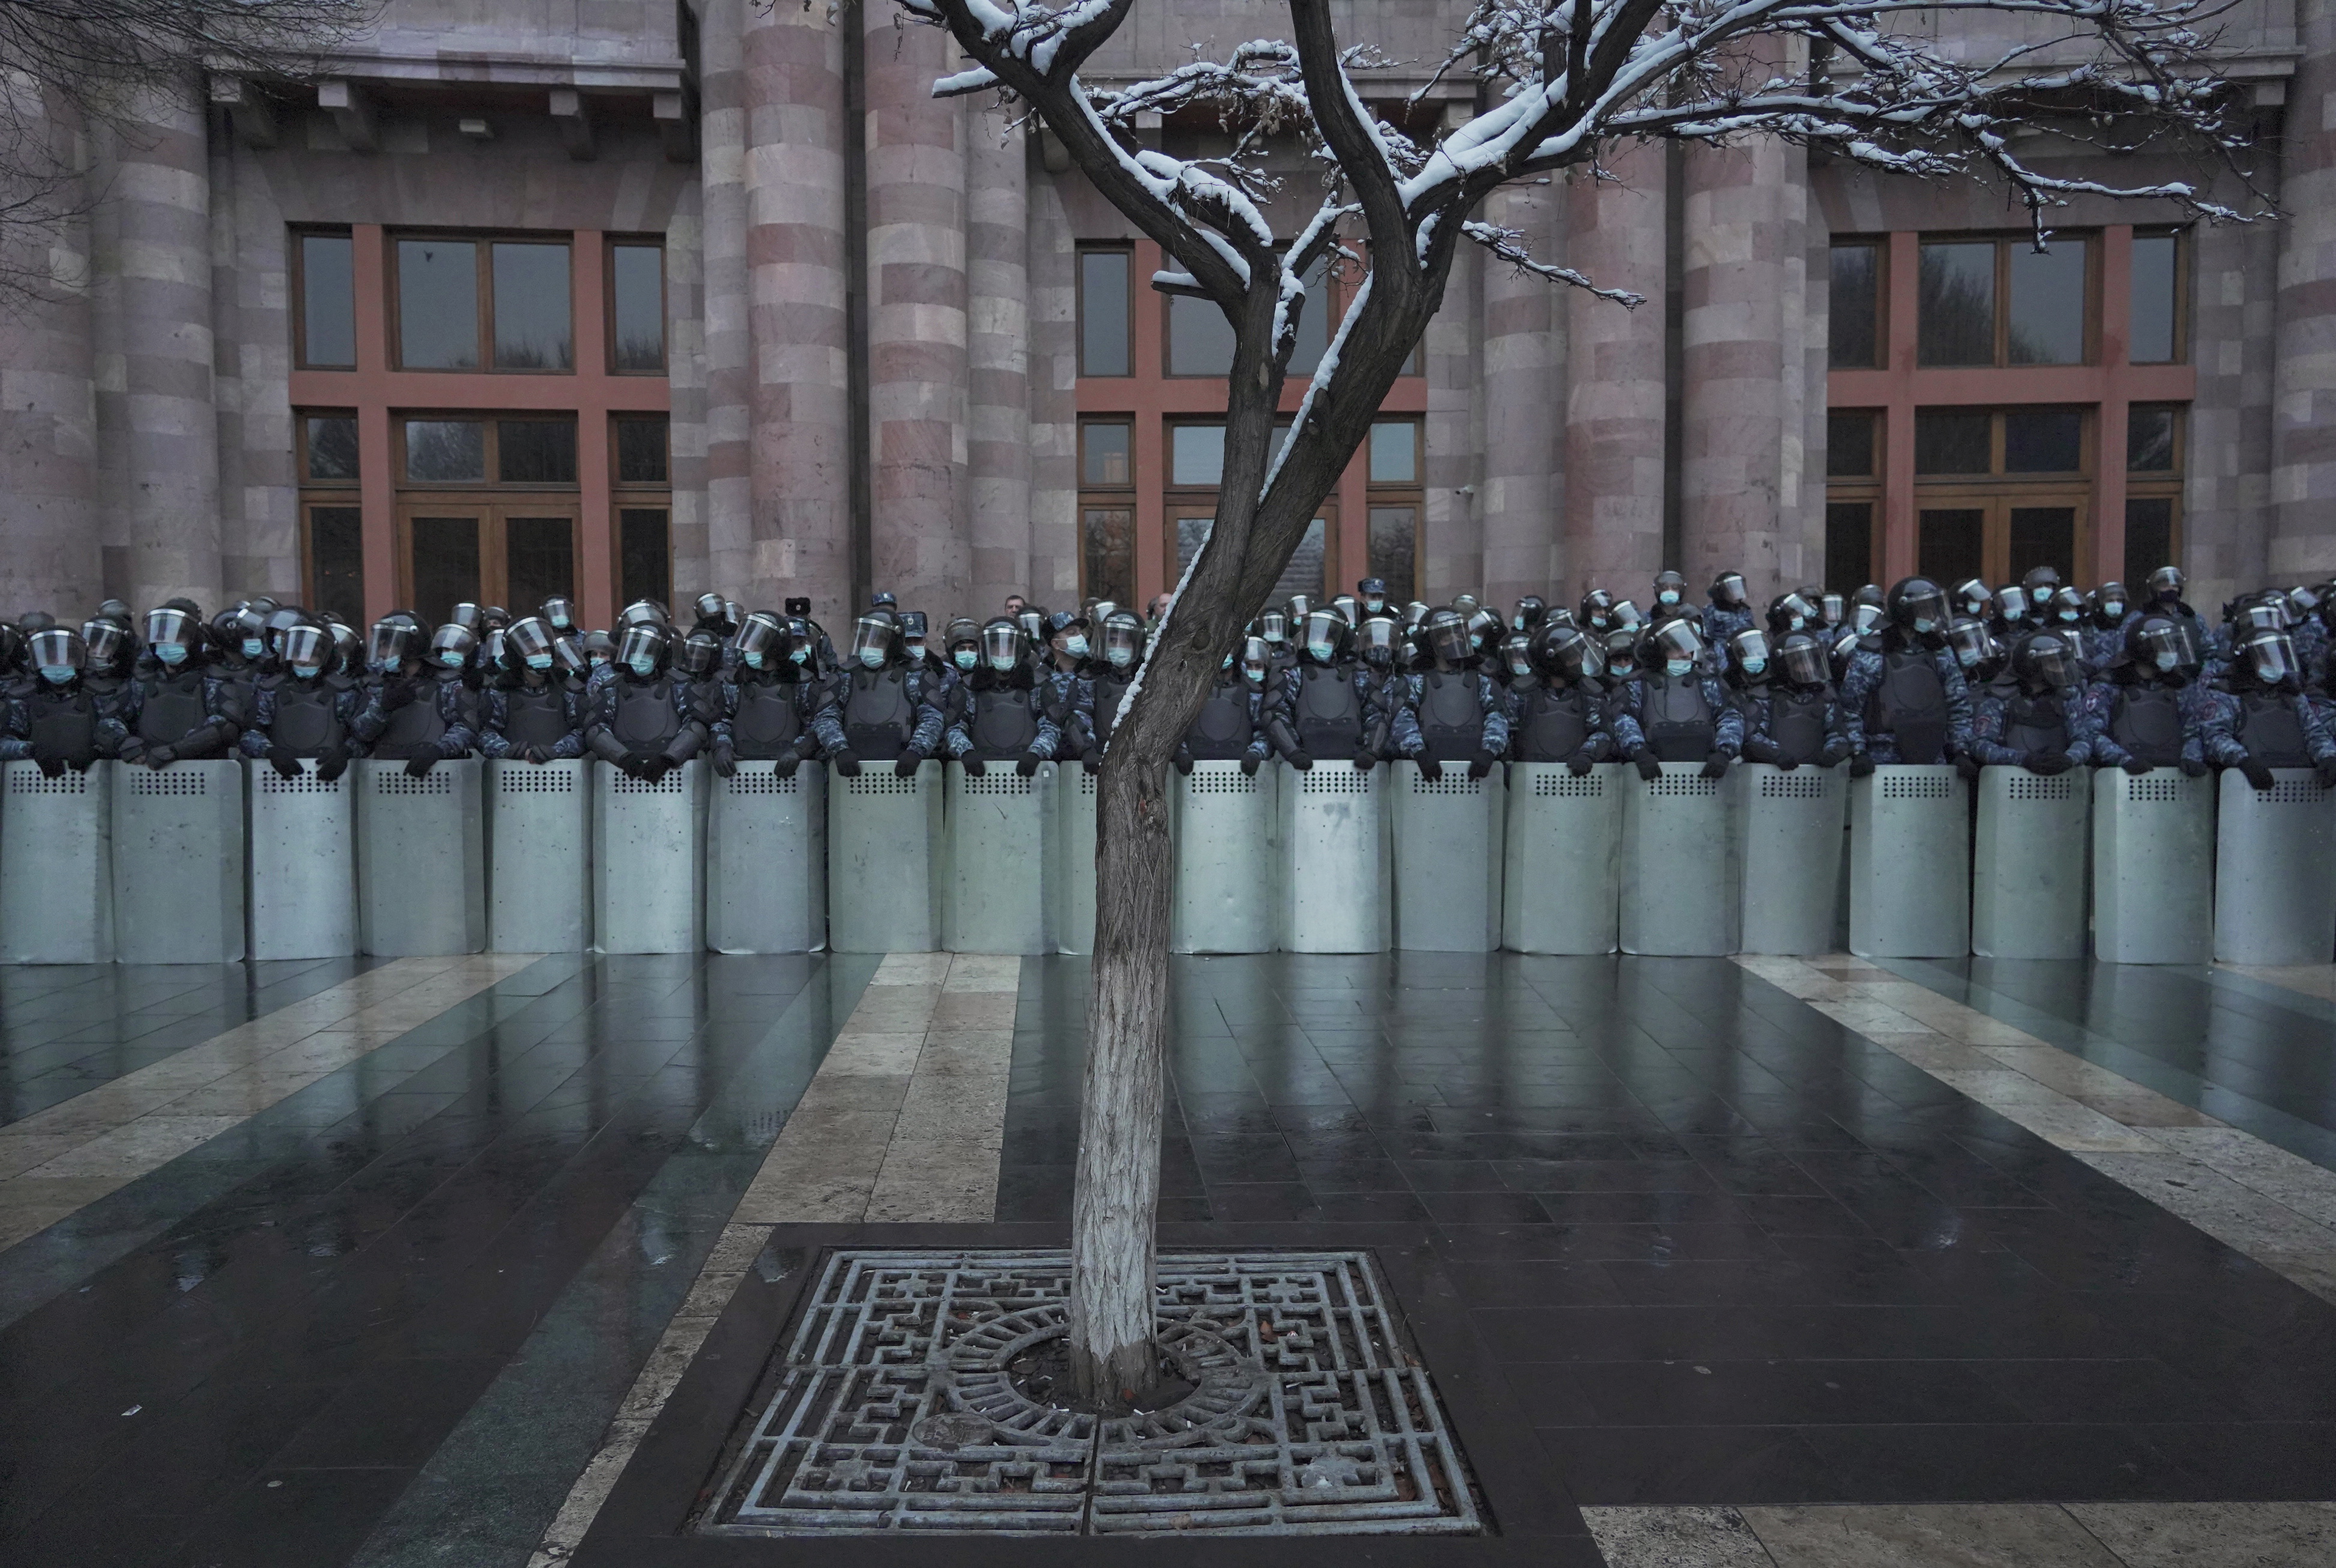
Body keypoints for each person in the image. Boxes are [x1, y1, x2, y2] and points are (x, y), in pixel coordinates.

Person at [1838, 576, 1973, 772]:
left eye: (1933, 609)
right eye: (1924, 609)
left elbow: (1959, 706)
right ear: (1905, 611)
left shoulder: (1940, 653)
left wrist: (1960, 750)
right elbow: (1850, 711)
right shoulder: (1872, 654)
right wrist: (1859, 752)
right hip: (1883, 758)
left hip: (1933, 757)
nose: (1931, 615)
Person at [2199, 626, 2336, 789]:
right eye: (2267, 657)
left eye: (2279, 657)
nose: (2275, 663)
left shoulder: (2293, 696)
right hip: (2246, 787)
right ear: (2248, 660)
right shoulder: (2228, 695)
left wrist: (2328, 757)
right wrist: (2243, 761)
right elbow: (2214, 736)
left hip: (2297, 787)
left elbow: (2314, 733)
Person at [1266, 606, 1394, 771]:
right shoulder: (1293, 672)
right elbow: (1275, 712)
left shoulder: (1359, 674)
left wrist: (1371, 752)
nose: (1320, 642)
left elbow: (1377, 714)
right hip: (1302, 766)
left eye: (1327, 638)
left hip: (1354, 768)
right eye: (1315, 636)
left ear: (1340, 641)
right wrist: (1293, 752)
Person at [112, 605, 241, 768]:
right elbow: (109, 721)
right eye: (162, 638)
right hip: (145, 775)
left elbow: (226, 727)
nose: (168, 644)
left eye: (178, 637)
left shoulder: (213, 680)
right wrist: (126, 744)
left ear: (193, 641)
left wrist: (176, 751)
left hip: (202, 775)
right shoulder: (141, 682)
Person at [820, 609, 945, 777]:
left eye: (877, 640)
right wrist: (840, 750)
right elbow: (826, 716)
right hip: (852, 771)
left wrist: (916, 751)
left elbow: (932, 717)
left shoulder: (917, 674)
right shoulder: (845, 675)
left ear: (893, 643)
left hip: (903, 770)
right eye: (864, 640)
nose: (869, 646)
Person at [2083, 614, 2210, 777]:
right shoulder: (2109, 686)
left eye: (2174, 645)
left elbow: (2193, 731)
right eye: (2165, 645)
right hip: (2121, 778)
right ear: (2144, 648)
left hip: (2173, 778)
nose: (2172, 652)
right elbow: (2092, 733)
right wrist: (2124, 760)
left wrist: (2191, 758)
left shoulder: (2180, 686)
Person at [1392, 607, 1510, 780]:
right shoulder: (1415, 681)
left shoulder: (1482, 680)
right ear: (1431, 643)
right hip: (1427, 774)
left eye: (1459, 635)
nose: (1456, 640)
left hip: (1475, 773)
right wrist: (1419, 753)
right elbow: (1402, 720)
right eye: (1447, 637)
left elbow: (1497, 716)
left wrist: (1489, 751)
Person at [1615, 618, 1741, 780]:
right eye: (1676, 648)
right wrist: (1639, 752)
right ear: (1657, 651)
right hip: (1651, 778)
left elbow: (1730, 715)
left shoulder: (1708, 682)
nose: (1685, 654)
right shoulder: (1637, 684)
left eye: (1688, 648)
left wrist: (1724, 752)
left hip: (1705, 778)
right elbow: (1623, 718)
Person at [712, 612, 835, 777]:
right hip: (742, 771)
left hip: (791, 774)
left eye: (755, 644)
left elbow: (816, 725)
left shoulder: (802, 682)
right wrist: (722, 747)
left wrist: (798, 752)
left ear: (775, 646)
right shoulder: (735, 682)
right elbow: (721, 721)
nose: (748, 648)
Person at [355, 622, 481, 778]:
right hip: (386, 779)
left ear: (410, 647)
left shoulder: (448, 682)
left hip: (439, 778)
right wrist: (383, 709)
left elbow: (468, 726)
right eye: (379, 646)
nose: (381, 653)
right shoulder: (378, 683)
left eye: (387, 646)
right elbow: (361, 734)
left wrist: (438, 750)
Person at [237, 622, 361, 779]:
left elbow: (364, 736)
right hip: (278, 780)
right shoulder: (270, 690)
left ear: (327, 657)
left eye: (313, 655)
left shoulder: (345, 691)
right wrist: (271, 752)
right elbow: (249, 735)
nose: (303, 661)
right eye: (298, 654)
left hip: (335, 780)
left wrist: (345, 754)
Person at [585, 623, 709, 779]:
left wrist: (668, 758)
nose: (638, 658)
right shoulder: (611, 688)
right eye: (634, 652)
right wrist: (623, 757)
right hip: (621, 775)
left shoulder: (681, 685)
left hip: (675, 775)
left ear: (662, 654)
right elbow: (595, 730)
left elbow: (697, 726)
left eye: (646, 653)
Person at [1967, 631, 2094, 776]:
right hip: (2009, 785)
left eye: (2061, 662)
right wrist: (2024, 759)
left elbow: (2084, 739)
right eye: (2053, 662)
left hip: (2061, 784)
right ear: (2032, 666)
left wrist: (2069, 758)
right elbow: (1981, 745)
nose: (2061, 669)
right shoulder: (2001, 699)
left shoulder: (2068, 697)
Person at [945, 617, 1058, 775]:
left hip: (1028, 772)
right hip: (981, 774)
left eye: (1009, 646)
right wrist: (966, 752)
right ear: (986, 650)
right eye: (996, 647)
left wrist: (1036, 753)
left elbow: (1051, 727)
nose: (1003, 652)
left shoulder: (1038, 686)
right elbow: (954, 728)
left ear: (1019, 649)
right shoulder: (968, 687)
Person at [1, 628, 124, 774]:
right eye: (51, 658)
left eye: (66, 658)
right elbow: (3, 744)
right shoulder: (22, 699)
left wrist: (97, 752)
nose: (58, 664)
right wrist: (32, 750)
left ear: (80, 660)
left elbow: (117, 735)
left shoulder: (100, 696)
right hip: (34, 785)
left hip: (92, 782)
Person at [1506, 622, 1609, 774]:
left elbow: (1603, 732)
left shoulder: (1589, 693)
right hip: (1528, 780)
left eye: (1579, 654)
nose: (1579, 660)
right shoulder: (1521, 693)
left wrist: (1587, 754)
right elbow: (1503, 732)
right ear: (1553, 660)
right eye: (1572, 656)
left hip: (1576, 781)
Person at [480, 616, 585, 763]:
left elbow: (585, 731)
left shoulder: (569, 687)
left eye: (546, 650)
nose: (542, 656)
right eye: (534, 652)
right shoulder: (501, 690)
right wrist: (507, 751)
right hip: (512, 775)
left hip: (562, 772)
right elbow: (485, 732)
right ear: (517, 656)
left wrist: (557, 751)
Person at [1742, 631, 1850, 769]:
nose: (1808, 668)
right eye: (1801, 663)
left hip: (1815, 778)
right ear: (1783, 666)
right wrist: (1776, 755)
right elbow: (1753, 737)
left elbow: (1837, 733)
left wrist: (1833, 753)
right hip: (1770, 778)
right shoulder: (1765, 697)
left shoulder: (1826, 697)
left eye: (1812, 662)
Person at [1177, 635, 1273, 775]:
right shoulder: (1189, 689)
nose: (1223, 653)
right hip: (1195, 774)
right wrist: (1181, 753)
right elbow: (1172, 729)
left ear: (1238, 651)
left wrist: (1255, 754)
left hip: (1240, 775)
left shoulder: (1252, 691)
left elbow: (1265, 732)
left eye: (1229, 648)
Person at [1079, 609, 1146, 767]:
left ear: (1137, 645)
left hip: (1140, 761)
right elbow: (1080, 715)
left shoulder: (1149, 680)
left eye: (1125, 642)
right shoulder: (1089, 678)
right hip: (1099, 760)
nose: (1118, 646)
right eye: (1113, 640)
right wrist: (1087, 749)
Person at [1040, 611, 1096, 766]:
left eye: (1080, 632)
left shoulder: (1095, 674)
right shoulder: (1038, 678)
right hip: (1048, 765)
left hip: (1092, 762)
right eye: (1072, 633)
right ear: (1056, 643)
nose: (1079, 637)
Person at [2082, 583, 2132, 670]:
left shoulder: (2129, 624)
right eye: (2110, 601)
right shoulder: (2087, 627)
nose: (2116, 604)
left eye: (2119, 600)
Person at [1702, 572, 1754, 645]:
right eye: (1732, 590)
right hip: (1722, 650)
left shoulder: (1745, 609)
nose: (1737, 592)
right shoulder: (1711, 610)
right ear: (1721, 592)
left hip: (1746, 646)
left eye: (1738, 589)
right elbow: (1707, 636)